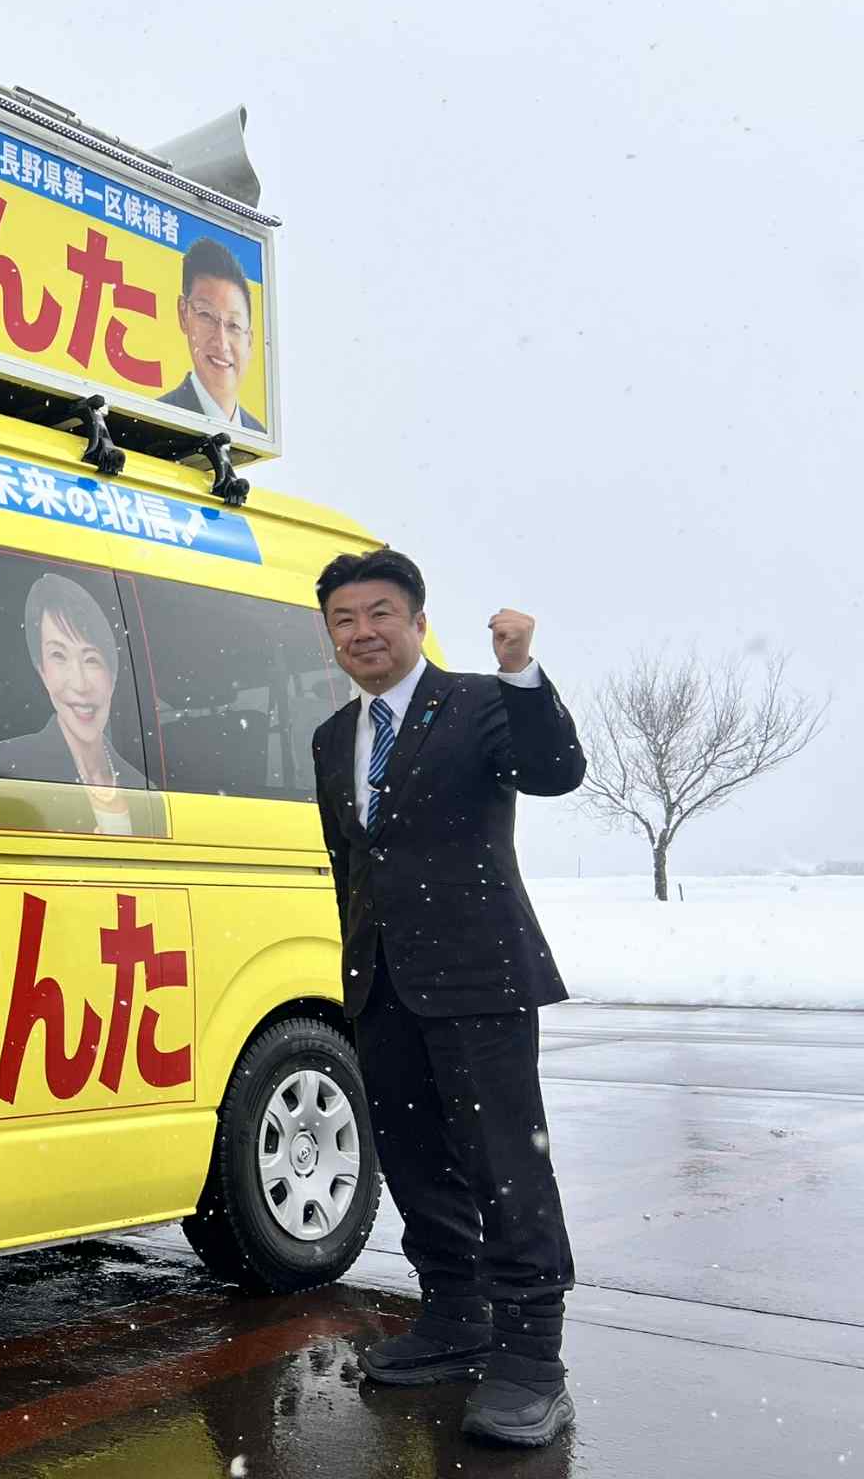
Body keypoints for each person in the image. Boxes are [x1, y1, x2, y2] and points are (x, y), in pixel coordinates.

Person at [309, 547, 584, 1448]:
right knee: (416, 1158)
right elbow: (353, 864)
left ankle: (532, 1359)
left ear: (419, 622)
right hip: (382, 981)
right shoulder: (331, 738)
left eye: (380, 613)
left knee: (505, 1163)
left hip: (478, 977)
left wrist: (522, 672)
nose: (363, 632)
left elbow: (555, 769)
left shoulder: (477, 702)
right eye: (345, 620)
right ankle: (456, 1314)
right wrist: (358, 963)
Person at [0, 572, 163, 837]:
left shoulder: (144, 790)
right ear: (42, 671)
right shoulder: (10, 765)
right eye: (59, 656)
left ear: (112, 675)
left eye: (91, 659)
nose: (79, 684)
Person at [159, 236, 266, 432]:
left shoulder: (259, 435)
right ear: (183, 313)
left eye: (234, 325)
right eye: (206, 315)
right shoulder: (157, 417)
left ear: (250, 341)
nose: (222, 342)